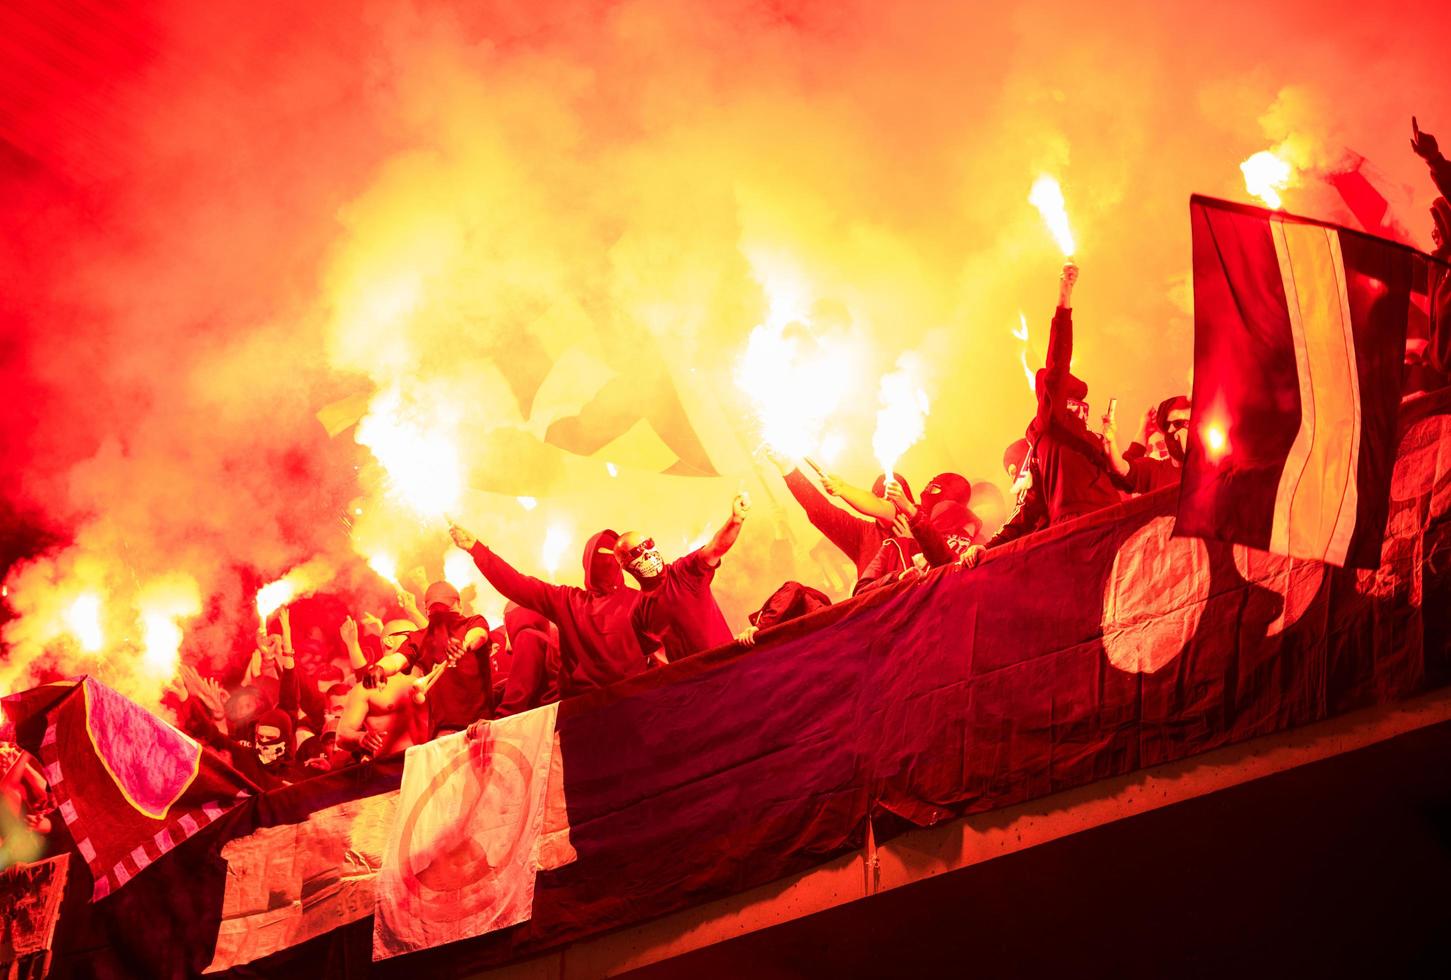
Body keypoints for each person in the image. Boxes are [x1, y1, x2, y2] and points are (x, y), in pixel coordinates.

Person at [963, 262, 1120, 566]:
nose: (1080, 408)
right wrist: (1064, 302)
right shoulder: (1052, 426)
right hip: (1079, 529)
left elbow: (1129, 478)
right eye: (1070, 399)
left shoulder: (1092, 439)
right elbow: (1030, 509)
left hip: (1115, 520)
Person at [448, 523, 652, 696]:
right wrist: (477, 549)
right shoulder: (572, 601)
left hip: (597, 715)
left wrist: (477, 549)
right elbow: (517, 584)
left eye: (608, 555)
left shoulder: (571, 601)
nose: (604, 562)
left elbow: (517, 584)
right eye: (599, 556)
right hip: (604, 714)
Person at [619, 493, 749, 662]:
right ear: (626, 566)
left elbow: (715, 547)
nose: (647, 552)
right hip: (695, 682)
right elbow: (654, 650)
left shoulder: (683, 571)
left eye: (648, 544)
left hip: (728, 665)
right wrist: (682, 666)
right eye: (637, 551)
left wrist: (735, 520)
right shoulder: (637, 613)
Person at [765, 449, 916, 587]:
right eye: (881, 500)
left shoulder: (924, 528)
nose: (886, 506)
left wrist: (913, 543)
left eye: (893, 499)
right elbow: (820, 511)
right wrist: (788, 468)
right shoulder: (864, 535)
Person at [372, 582, 492, 739]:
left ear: (460, 606)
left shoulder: (473, 622)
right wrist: (379, 668)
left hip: (481, 724)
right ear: (428, 610)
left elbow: (479, 635)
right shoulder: (418, 638)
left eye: (446, 608)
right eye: (437, 610)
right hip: (443, 732)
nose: (442, 614)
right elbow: (396, 661)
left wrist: (465, 645)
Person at [1411, 117, 1451, 377]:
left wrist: (1435, 160)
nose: (1433, 233)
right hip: (1441, 380)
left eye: (1437, 223)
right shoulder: (1437, 270)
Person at [1103, 395, 1190, 494]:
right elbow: (1122, 471)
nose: (1185, 431)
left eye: (1190, 423)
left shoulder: (1208, 467)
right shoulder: (1155, 471)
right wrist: (1111, 441)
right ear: (1166, 428)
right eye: (1178, 424)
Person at [496, 602, 561, 716]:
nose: (506, 635)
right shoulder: (543, 638)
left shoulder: (527, 636)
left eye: (506, 626)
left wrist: (499, 719)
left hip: (547, 717)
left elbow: (520, 691)